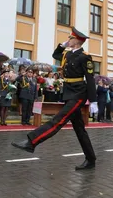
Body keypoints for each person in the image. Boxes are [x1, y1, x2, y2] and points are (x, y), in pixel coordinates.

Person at [11, 27, 97, 170]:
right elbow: (56, 54)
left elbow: (90, 78)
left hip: (78, 94)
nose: (68, 40)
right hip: (69, 93)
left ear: (77, 41)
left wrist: (93, 101)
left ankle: (32, 141)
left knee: (59, 119)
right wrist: (61, 46)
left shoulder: (85, 56)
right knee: (79, 129)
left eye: (70, 38)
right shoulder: (67, 55)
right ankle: (91, 159)